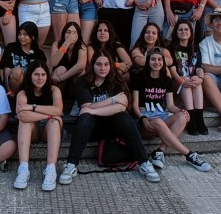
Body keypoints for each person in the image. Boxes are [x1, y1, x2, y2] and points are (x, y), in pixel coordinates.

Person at [58, 50, 161, 185]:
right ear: (92, 65)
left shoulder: (116, 79)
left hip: (114, 126)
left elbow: (121, 106)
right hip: (91, 129)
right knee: (85, 118)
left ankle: (144, 162)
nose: (103, 68)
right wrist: (112, 100)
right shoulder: (83, 82)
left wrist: (94, 110)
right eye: (99, 64)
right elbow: (86, 107)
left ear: (111, 65)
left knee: (123, 116)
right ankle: (71, 164)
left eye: (106, 64)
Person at [132, 47, 212, 172]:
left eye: (159, 59)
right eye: (153, 59)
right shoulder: (139, 77)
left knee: (182, 116)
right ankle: (189, 154)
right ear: (148, 61)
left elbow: (170, 106)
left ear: (163, 62)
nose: (156, 62)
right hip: (146, 121)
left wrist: (182, 111)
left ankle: (159, 151)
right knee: (158, 121)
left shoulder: (166, 80)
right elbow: (135, 106)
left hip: (162, 118)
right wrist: (142, 118)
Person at [12, 60, 64, 191]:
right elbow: (22, 115)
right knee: (25, 122)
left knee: (54, 122)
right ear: (30, 75)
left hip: (50, 130)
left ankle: (51, 169)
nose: (40, 78)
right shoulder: (22, 93)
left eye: (43, 74)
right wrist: (49, 114)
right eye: (36, 74)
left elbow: (58, 110)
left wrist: (32, 107)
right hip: (32, 130)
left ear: (47, 76)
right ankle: (23, 168)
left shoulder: (54, 90)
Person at [166, 19, 206, 135]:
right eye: (180, 29)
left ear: (191, 32)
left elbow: (199, 67)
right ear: (176, 32)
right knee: (188, 79)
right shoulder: (171, 48)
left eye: (186, 29)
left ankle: (199, 118)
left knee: (195, 80)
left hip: (190, 82)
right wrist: (181, 81)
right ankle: (192, 119)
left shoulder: (195, 48)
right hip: (177, 82)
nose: (183, 31)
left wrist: (200, 79)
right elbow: (173, 70)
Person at [0, 21, 47, 101]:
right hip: (13, 86)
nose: (21, 37)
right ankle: (14, 100)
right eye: (20, 34)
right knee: (17, 71)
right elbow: (6, 71)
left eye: (25, 34)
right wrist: (8, 91)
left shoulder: (39, 54)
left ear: (33, 37)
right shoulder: (11, 48)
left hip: (31, 86)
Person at [47, 21, 87, 113]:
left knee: (81, 72)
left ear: (78, 35)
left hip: (72, 84)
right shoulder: (56, 44)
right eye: (68, 32)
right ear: (64, 33)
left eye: (74, 32)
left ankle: (78, 103)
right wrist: (66, 44)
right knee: (61, 69)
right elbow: (54, 62)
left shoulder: (82, 46)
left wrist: (61, 78)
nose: (71, 35)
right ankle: (56, 104)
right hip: (59, 85)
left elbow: (81, 66)